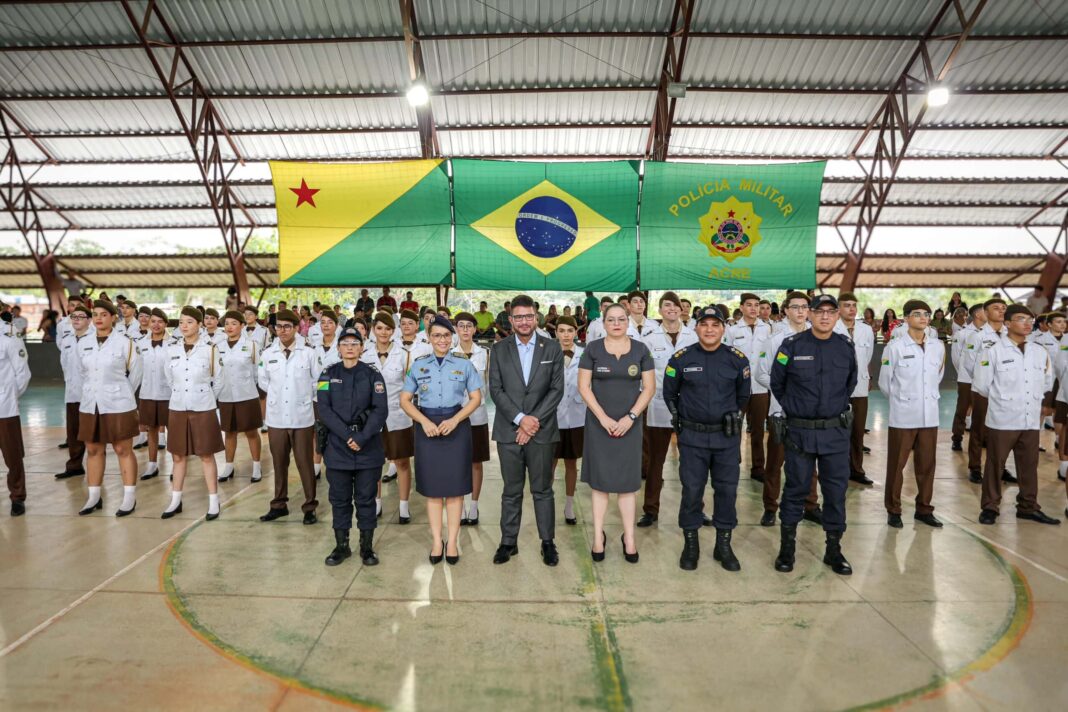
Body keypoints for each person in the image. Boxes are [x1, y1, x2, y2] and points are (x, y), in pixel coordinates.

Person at [770, 294, 857, 576]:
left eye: (831, 312)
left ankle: (834, 549)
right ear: (809, 314)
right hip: (800, 432)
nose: (825, 317)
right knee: (795, 490)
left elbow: (850, 383)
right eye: (819, 311)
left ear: (837, 316)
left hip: (834, 433)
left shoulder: (845, 347)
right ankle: (787, 549)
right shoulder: (792, 346)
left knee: (835, 493)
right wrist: (798, 410)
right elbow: (777, 384)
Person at [663, 305, 750, 571]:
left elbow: (743, 395)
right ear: (696, 327)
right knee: (692, 491)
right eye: (704, 324)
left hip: (725, 439)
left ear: (723, 328)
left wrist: (735, 416)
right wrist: (679, 419)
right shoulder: (681, 359)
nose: (709, 329)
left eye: (715, 325)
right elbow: (670, 393)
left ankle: (723, 545)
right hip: (692, 439)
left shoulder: (737, 359)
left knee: (726, 490)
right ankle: (691, 544)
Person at [488, 295, 565, 566]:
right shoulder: (498, 350)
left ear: (536, 318)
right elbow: (495, 390)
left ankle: (548, 542)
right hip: (509, 432)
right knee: (511, 490)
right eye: (518, 317)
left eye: (528, 316)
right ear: (510, 319)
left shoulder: (552, 347)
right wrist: (521, 419)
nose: (524, 321)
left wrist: (532, 422)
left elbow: (557, 390)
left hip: (542, 432)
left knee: (543, 490)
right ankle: (508, 542)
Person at [401, 315, 483, 565]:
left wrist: (455, 419)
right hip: (427, 429)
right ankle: (437, 541)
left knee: (456, 491)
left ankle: (454, 540)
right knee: (434, 491)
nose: (442, 340)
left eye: (446, 335)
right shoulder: (418, 365)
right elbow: (405, 400)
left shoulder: (464, 365)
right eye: (436, 335)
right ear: (428, 338)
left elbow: (476, 398)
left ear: (453, 337)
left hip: (455, 428)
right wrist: (423, 421)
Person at [578, 302, 655, 564]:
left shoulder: (641, 350)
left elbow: (649, 388)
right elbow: (584, 387)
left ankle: (629, 537)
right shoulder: (593, 349)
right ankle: (598, 537)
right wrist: (604, 418)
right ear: (603, 322)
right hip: (600, 426)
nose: (616, 323)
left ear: (628, 320)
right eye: (611, 319)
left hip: (630, 427)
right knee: (600, 484)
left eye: (621, 319)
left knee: (627, 485)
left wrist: (630, 417)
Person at [972, 305, 1059, 526]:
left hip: (1030, 419)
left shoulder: (1039, 352)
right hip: (1003, 418)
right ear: (1008, 323)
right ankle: (990, 507)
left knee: (1029, 464)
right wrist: (1005, 400)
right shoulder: (993, 350)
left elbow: (1047, 381)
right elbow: (982, 385)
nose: (1027, 323)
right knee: (995, 464)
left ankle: (1028, 507)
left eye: (1030, 319)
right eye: (1021, 319)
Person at [318, 327, 389, 567]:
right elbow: (324, 410)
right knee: (339, 500)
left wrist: (362, 437)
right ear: (338, 348)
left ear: (362, 347)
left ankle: (367, 548)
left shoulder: (372, 375)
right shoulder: (327, 375)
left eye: (354, 343)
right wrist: (348, 435)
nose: (349, 347)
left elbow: (381, 410)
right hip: (338, 448)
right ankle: (342, 546)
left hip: (367, 448)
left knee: (366, 499)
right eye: (345, 343)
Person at [756, 292, 822, 526]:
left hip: (811, 411)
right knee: (775, 462)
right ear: (785, 310)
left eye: (805, 307)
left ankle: (811, 505)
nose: (801, 311)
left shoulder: (818, 337)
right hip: (782, 412)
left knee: (809, 459)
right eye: (795, 307)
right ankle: (771, 507)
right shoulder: (775, 340)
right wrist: (786, 392)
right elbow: (762, 373)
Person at [878, 300, 946, 528]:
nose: (923, 317)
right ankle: (893, 509)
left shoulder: (938, 346)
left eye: (926, 314)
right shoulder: (895, 347)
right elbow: (885, 383)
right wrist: (901, 401)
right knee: (897, 465)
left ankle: (924, 509)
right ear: (906, 318)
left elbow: (938, 376)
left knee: (927, 465)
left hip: (930, 415)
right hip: (904, 415)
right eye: (917, 314)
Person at [76, 300, 144, 517]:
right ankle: (94, 496)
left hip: (119, 405)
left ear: (113, 317)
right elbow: (81, 373)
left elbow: (135, 374)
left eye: (103, 314)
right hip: (90, 404)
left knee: (123, 449)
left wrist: (120, 392)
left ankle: (128, 497)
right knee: (94, 449)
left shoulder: (125, 343)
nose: (98, 318)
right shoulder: (83, 342)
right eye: (95, 314)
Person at [362, 311, 430, 519]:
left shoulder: (403, 354)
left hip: (397, 415)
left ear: (394, 331)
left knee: (401, 461)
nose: (384, 332)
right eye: (380, 328)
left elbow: (410, 386)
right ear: (374, 329)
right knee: (374, 463)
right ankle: (377, 503)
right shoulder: (365, 355)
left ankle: (403, 505)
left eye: (388, 328)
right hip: (371, 418)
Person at [258, 309, 323, 524]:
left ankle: (309, 506)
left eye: (287, 326)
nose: (282, 331)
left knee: (305, 462)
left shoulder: (309, 352)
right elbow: (263, 381)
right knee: (279, 462)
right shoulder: (268, 354)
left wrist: (307, 398)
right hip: (276, 417)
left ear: (297, 328)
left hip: (302, 416)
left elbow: (320, 381)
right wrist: (279, 394)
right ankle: (279, 504)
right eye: (278, 327)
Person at [639, 292, 698, 527]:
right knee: (655, 462)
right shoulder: (649, 338)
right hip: (658, 408)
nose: (672, 309)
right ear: (661, 309)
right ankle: (650, 510)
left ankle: (695, 508)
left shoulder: (693, 337)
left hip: (689, 408)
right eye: (667, 305)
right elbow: (643, 375)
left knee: (692, 463)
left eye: (676, 305)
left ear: (682, 309)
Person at [160, 307, 225, 520]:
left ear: (199, 324)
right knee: (178, 456)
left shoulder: (210, 349)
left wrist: (205, 396)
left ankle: (214, 501)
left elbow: (219, 380)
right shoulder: (171, 349)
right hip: (178, 406)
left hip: (203, 407)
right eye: (181, 322)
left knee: (206, 455)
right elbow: (169, 378)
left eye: (189, 322)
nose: (184, 326)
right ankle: (175, 500)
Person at [960, 298, 1012, 484]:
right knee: (979, 429)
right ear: (986, 312)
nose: (1000, 311)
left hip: (1006, 390)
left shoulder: (1010, 335)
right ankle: (975, 467)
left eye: (1003, 308)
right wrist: (985, 379)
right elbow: (968, 363)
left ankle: (1001, 467)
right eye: (996, 308)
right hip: (983, 389)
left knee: (1002, 431)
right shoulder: (978, 336)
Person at [724, 293, 771, 482]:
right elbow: (727, 357)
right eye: (749, 305)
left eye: (757, 305)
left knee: (758, 429)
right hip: (737, 388)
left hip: (760, 387)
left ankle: (758, 467)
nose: (754, 308)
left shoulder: (767, 329)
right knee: (734, 425)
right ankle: (731, 462)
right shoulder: (733, 330)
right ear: (741, 308)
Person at [834, 293, 876, 486]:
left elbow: (867, 356)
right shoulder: (831, 327)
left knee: (858, 431)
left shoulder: (866, 330)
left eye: (854, 305)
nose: (851, 309)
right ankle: (837, 470)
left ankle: (857, 470)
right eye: (847, 305)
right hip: (836, 388)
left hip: (859, 387)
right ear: (838, 309)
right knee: (837, 430)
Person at [452, 312, 490, 525]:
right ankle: (462, 504)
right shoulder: (449, 354)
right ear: (456, 329)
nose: (465, 330)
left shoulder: (483, 353)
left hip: (477, 415)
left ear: (475, 329)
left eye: (469, 326)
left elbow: (488, 384)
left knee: (476, 462)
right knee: (458, 462)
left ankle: (474, 506)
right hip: (455, 415)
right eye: (461, 325)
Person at [217, 310, 264, 483]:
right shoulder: (218, 346)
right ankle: (228, 466)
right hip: (226, 395)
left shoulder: (251, 345)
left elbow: (257, 370)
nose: (229, 327)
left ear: (242, 326)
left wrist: (255, 387)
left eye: (234, 323)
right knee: (229, 432)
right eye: (227, 323)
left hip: (247, 394)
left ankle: (256, 466)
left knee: (251, 432)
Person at [553, 315, 586, 525]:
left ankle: (569, 504)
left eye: (570, 331)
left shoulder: (585, 354)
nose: (566, 335)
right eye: (562, 330)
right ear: (556, 332)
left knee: (572, 463)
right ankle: (547, 503)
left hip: (576, 416)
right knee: (550, 462)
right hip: (553, 417)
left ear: (576, 332)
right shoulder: (548, 354)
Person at [56, 304, 94, 480]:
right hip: (71, 392)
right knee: (73, 432)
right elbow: (64, 364)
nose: (76, 319)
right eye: (73, 316)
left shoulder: (95, 339)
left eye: (81, 316)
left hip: (91, 394)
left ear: (89, 320)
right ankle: (74, 465)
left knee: (92, 434)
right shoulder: (67, 339)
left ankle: (95, 467)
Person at [135, 308, 173, 481]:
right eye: (153, 321)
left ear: (165, 323)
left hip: (168, 393)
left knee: (173, 429)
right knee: (151, 429)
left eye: (160, 321)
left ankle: (175, 464)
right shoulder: (140, 343)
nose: (156, 325)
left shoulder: (174, 343)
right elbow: (136, 370)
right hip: (147, 392)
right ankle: (152, 465)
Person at [0, 328, 30, 515]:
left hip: (4, 407)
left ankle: (17, 497)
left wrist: (9, 396)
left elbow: (23, 373)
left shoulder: (9, 337)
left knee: (13, 455)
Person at [951, 304, 985, 454]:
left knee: (983, 410)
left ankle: (982, 437)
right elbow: (956, 358)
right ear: (977, 314)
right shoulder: (962, 333)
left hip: (985, 379)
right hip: (966, 377)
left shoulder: (992, 333)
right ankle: (957, 437)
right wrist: (965, 373)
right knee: (963, 408)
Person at [312, 310, 342, 480]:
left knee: (335, 431)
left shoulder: (341, 345)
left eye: (330, 322)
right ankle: (316, 465)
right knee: (318, 431)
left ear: (336, 325)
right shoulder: (313, 346)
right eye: (323, 322)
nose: (326, 326)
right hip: (317, 397)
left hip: (337, 397)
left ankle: (335, 463)